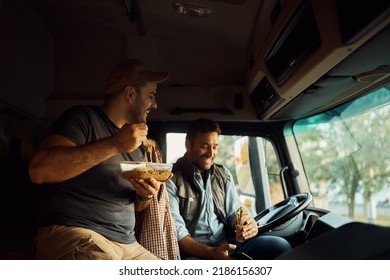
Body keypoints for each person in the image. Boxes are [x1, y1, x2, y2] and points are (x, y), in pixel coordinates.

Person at [28, 59, 180, 260]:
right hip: (77, 233)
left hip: (128, 244)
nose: (155, 104)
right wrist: (115, 144)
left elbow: (132, 205)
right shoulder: (82, 118)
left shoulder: (139, 145)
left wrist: (144, 196)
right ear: (130, 94)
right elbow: (39, 170)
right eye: (151, 96)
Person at [167, 118, 292, 260]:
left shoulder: (223, 174)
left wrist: (246, 224)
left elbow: (234, 212)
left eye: (215, 146)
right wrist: (211, 253)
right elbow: (178, 234)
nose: (211, 153)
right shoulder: (170, 179)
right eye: (205, 146)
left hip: (227, 244)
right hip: (194, 252)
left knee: (280, 246)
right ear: (188, 145)